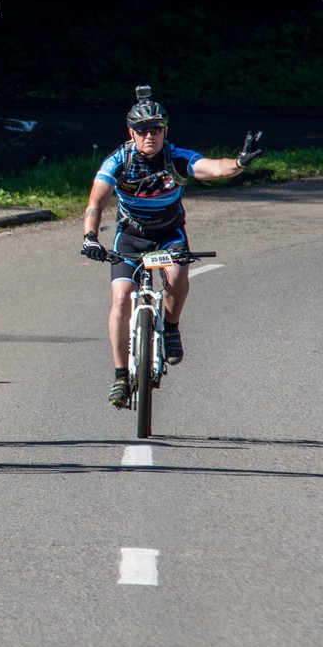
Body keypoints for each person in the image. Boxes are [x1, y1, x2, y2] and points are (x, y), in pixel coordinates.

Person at [82, 85, 263, 408]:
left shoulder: (176, 158)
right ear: (131, 133)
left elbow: (213, 168)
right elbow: (96, 202)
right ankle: (120, 376)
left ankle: (170, 328)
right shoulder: (119, 161)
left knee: (178, 275)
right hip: (131, 236)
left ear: (165, 131)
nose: (149, 136)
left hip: (168, 235)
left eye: (156, 130)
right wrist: (90, 237)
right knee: (121, 297)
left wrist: (240, 162)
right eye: (142, 130)